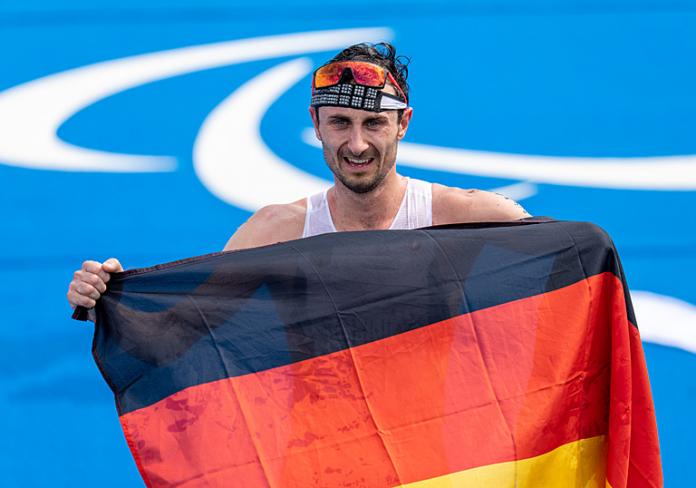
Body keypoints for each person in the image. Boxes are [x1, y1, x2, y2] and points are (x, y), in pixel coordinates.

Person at [67, 42, 530, 314]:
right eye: (340, 123)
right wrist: (109, 298)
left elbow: (566, 274)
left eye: (373, 124)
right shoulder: (277, 232)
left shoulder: (464, 216)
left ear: (403, 123)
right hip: (319, 459)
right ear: (316, 123)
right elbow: (186, 328)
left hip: (435, 466)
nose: (356, 144)